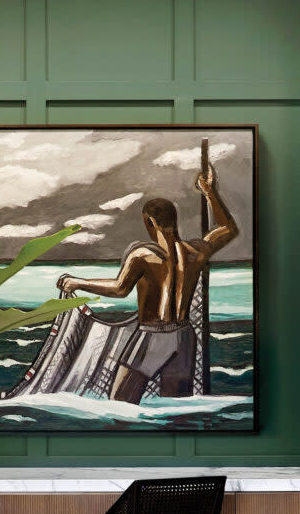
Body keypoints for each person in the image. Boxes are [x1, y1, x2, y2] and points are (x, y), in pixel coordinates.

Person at [56, 163, 237, 403]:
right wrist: (209, 192)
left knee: (119, 407)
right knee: (175, 411)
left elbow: (120, 289)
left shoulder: (143, 255)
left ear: (150, 222)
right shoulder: (196, 252)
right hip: (183, 336)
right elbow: (227, 228)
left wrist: (78, 282)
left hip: (153, 336)